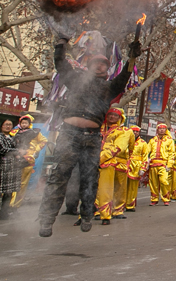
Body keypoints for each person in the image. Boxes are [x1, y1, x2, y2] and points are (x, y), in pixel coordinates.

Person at [37, 33, 141, 237]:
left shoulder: (110, 88)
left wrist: (132, 58)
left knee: (90, 178)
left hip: (92, 137)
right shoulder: (75, 81)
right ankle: (47, 220)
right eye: (96, 63)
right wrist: (61, 44)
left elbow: (125, 76)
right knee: (58, 176)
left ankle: (86, 214)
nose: (100, 66)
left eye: (104, 64)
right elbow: (61, 65)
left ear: (107, 70)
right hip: (69, 134)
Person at [95, 108, 129, 225]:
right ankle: (92, 212)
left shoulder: (122, 132)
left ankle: (106, 214)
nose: (112, 117)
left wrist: (99, 158)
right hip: (90, 161)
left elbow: (119, 147)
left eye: (115, 115)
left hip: (108, 162)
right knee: (88, 187)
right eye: (110, 114)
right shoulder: (97, 128)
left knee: (105, 189)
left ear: (120, 118)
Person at [10, 114, 48, 208]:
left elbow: (44, 141)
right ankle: (10, 204)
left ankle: (16, 205)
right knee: (13, 182)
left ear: (29, 124)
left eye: (26, 123)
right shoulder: (15, 132)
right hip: (15, 159)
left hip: (27, 159)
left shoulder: (34, 133)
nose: (24, 124)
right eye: (22, 123)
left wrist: (34, 150)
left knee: (22, 184)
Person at [146, 124, 175, 206]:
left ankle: (166, 198)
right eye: (160, 129)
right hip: (153, 164)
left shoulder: (169, 140)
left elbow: (171, 153)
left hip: (163, 164)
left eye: (163, 129)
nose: (162, 130)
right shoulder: (152, 140)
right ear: (157, 130)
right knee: (153, 183)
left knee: (164, 181)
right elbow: (146, 151)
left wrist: (169, 165)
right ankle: (154, 199)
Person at [0, 119, 22, 219]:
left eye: (10, 125)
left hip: (12, 167)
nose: (8, 126)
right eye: (6, 125)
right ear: (1, 126)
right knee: (2, 190)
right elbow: (3, 149)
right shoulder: (0, 137)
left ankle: (4, 212)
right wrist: (18, 151)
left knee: (9, 191)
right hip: (3, 167)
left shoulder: (12, 137)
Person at [126, 126, 148, 212]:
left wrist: (143, 168)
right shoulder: (125, 140)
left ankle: (130, 205)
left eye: (136, 131)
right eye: (133, 131)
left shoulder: (143, 143)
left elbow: (145, 157)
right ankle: (120, 205)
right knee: (122, 186)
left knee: (133, 187)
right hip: (125, 164)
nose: (135, 133)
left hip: (136, 166)